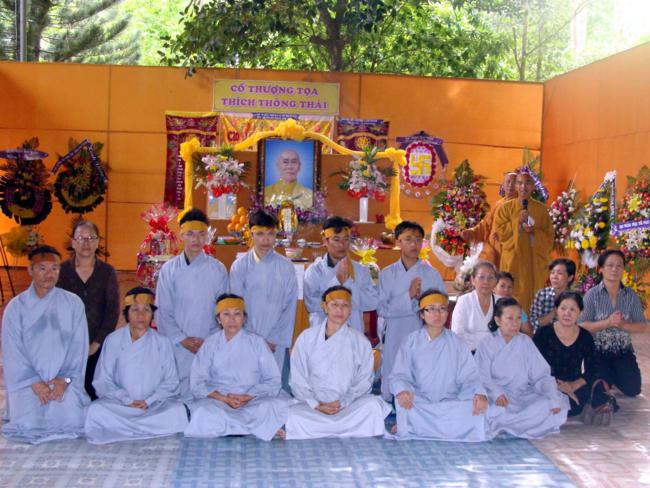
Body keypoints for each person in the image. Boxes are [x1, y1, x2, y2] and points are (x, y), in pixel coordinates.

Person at [1, 245, 90, 443]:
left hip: (63, 380)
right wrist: (34, 381)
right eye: (42, 268)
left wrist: (65, 379)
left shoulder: (73, 303)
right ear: (30, 270)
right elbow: (12, 351)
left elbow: (79, 347)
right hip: (27, 382)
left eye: (54, 268)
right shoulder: (15, 308)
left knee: (72, 419)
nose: (49, 274)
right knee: (27, 423)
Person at [84, 287, 189, 444]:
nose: (141, 315)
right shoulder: (113, 340)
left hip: (154, 406)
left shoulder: (162, 342)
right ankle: (145, 428)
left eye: (146, 310)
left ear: (152, 314)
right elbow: (103, 380)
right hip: (121, 405)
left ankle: (124, 428)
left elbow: (171, 381)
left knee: (178, 411)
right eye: (135, 310)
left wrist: (149, 401)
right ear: (126, 314)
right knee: (94, 411)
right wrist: (126, 400)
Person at [286, 286, 391, 439]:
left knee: (373, 406)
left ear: (350, 309)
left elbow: (364, 381)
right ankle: (345, 428)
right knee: (294, 413)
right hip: (314, 407)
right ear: (324, 307)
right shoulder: (306, 338)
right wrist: (316, 404)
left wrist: (343, 402)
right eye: (334, 304)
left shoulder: (360, 341)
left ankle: (322, 429)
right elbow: (298, 378)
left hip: (347, 406)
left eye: (345, 305)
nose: (339, 310)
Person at [388, 290, 491, 441]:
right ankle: (417, 424)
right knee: (403, 401)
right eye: (431, 309)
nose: (437, 314)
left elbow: (470, 376)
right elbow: (399, 375)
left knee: (477, 406)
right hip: (419, 401)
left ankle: (414, 425)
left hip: (451, 401)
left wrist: (479, 393)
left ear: (447, 313)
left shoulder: (457, 342)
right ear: (422, 314)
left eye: (442, 309)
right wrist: (402, 391)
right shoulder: (410, 342)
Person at [184, 294, 288, 441]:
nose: (232, 319)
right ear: (218, 319)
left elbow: (273, 380)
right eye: (226, 314)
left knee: (273, 405)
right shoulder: (210, 344)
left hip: (253, 400)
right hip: (219, 401)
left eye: (237, 314)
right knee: (203, 412)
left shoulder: (257, 342)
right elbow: (197, 382)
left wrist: (248, 396)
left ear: (244, 318)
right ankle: (259, 428)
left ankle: (235, 426)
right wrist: (224, 399)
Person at [155, 208, 229, 400]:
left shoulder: (218, 269)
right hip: (177, 343)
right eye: (190, 234)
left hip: (208, 342)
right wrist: (182, 339)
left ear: (207, 237)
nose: (196, 239)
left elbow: (224, 311)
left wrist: (210, 340)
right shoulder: (169, 270)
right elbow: (162, 310)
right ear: (181, 235)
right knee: (176, 393)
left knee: (206, 392)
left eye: (201, 234)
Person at [475, 297, 568, 439]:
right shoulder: (486, 343)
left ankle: (504, 425)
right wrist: (496, 392)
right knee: (487, 410)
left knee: (546, 405)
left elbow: (541, 375)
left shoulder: (526, 342)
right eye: (510, 318)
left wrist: (552, 396)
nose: (515, 323)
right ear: (498, 320)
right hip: (497, 397)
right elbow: (481, 376)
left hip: (522, 396)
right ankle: (509, 424)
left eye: (518, 318)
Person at [377, 221, 445, 401]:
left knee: (421, 374)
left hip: (422, 332)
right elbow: (382, 308)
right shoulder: (386, 274)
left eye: (418, 240)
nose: (414, 244)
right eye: (408, 239)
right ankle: (393, 404)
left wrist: (422, 304)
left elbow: (441, 306)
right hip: (395, 332)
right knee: (394, 370)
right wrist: (408, 297)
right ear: (398, 242)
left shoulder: (432, 274)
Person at [229, 209, 298, 388]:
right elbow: (236, 307)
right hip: (247, 338)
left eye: (270, 234)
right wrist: (253, 339)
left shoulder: (286, 267)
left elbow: (289, 307)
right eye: (260, 234)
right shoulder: (239, 267)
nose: (266, 240)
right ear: (251, 234)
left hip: (276, 342)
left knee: (275, 387)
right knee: (246, 386)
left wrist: (274, 339)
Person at [57, 219, 120, 400]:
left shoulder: (107, 272)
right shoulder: (61, 271)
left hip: (97, 344)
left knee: (93, 391)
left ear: (98, 242)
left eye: (91, 238)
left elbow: (112, 312)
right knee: (67, 393)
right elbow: (55, 309)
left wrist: (96, 344)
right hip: (66, 344)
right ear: (72, 242)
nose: (86, 243)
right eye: (81, 238)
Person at [579, 249, 647, 397]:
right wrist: (607, 323)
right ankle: (606, 375)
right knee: (600, 391)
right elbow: (582, 325)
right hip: (598, 351)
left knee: (633, 390)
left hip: (623, 351)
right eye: (610, 265)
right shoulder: (592, 295)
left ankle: (614, 375)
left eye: (619, 265)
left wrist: (623, 325)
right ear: (601, 269)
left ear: (623, 269)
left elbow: (642, 326)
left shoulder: (630, 295)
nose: (614, 269)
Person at [534, 291, 612, 417]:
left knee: (595, 389)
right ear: (556, 310)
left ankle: (570, 405)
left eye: (572, 309)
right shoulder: (543, 334)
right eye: (563, 308)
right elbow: (532, 366)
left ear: (580, 312)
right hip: (546, 384)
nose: (567, 313)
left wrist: (573, 385)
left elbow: (593, 368)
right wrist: (553, 385)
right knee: (537, 399)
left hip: (574, 384)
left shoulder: (585, 336)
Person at [303, 216, 378, 333]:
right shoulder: (314, 271)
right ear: (325, 241)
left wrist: (349, 284)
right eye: (336, 240)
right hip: (323, 334)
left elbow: (372, 303)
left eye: (346, 239)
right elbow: (311, 305)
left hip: (353, 334)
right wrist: (336, 282)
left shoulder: (360, 270)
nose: (342, 244)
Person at [494, 171, 554, 313]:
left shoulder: (541, 210)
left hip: (534, 262)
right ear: (515, 186)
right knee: (511, 294)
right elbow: (500, 234)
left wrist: (534, 232)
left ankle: (530, 322)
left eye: (527, 183)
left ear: (533, 187)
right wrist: (517, 222)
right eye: (520, 183)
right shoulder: (505, 208)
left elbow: (549, 236)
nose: (523, 187)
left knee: (532, 296)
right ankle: (509, 321)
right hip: (513, 260)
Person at [461, 171, 517, 266]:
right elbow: (486, 223)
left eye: (514, 182)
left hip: (509, 249)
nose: (510, 185)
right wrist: (473, 231)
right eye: (508, 182)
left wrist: (505, 233)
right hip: (493, 247)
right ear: (503, 185)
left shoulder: (520, 204)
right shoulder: (498, 203)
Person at [451, 261, 497, 353]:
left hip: (497, 354)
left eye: (490, 278)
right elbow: (457, 334)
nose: (486, 282)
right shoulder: (464, 301)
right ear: (473, 280)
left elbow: (508, 333)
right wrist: (489, 341)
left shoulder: (501, 302)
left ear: (495, 281)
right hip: (468, 354)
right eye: (481, 277)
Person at [529, 258, 576, 333]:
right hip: (544, 337)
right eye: (552, 272)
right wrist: (554, 313)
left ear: (570, 278)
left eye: (560, 273)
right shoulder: (542, 294)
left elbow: (579, 324)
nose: (554, 277)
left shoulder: (575, 298)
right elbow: (533, 324)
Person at [494, 271, 532, 336]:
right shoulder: (489, 305)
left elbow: (528, 332)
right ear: (494, 288)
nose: (506, 290)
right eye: (502, 286)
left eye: (509, 287)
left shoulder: (517, 308)